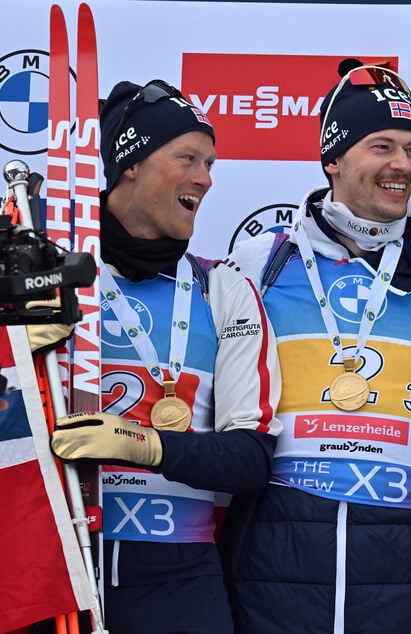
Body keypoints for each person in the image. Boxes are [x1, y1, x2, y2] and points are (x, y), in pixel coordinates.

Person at [219, 59, 411, 633]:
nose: (402, 165)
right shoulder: (261, 264)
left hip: (408, 565)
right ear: (333, 160)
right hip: (277, 556)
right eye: (382, 146)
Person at [49, 79, 282, 633]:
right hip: (53, 565)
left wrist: (147, 444)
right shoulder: (48, 276)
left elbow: (252, 457)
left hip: (178, 580)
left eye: (210, 163)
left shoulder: (222, 288)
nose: (205, 178)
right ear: (130, 163)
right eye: (188, 159)